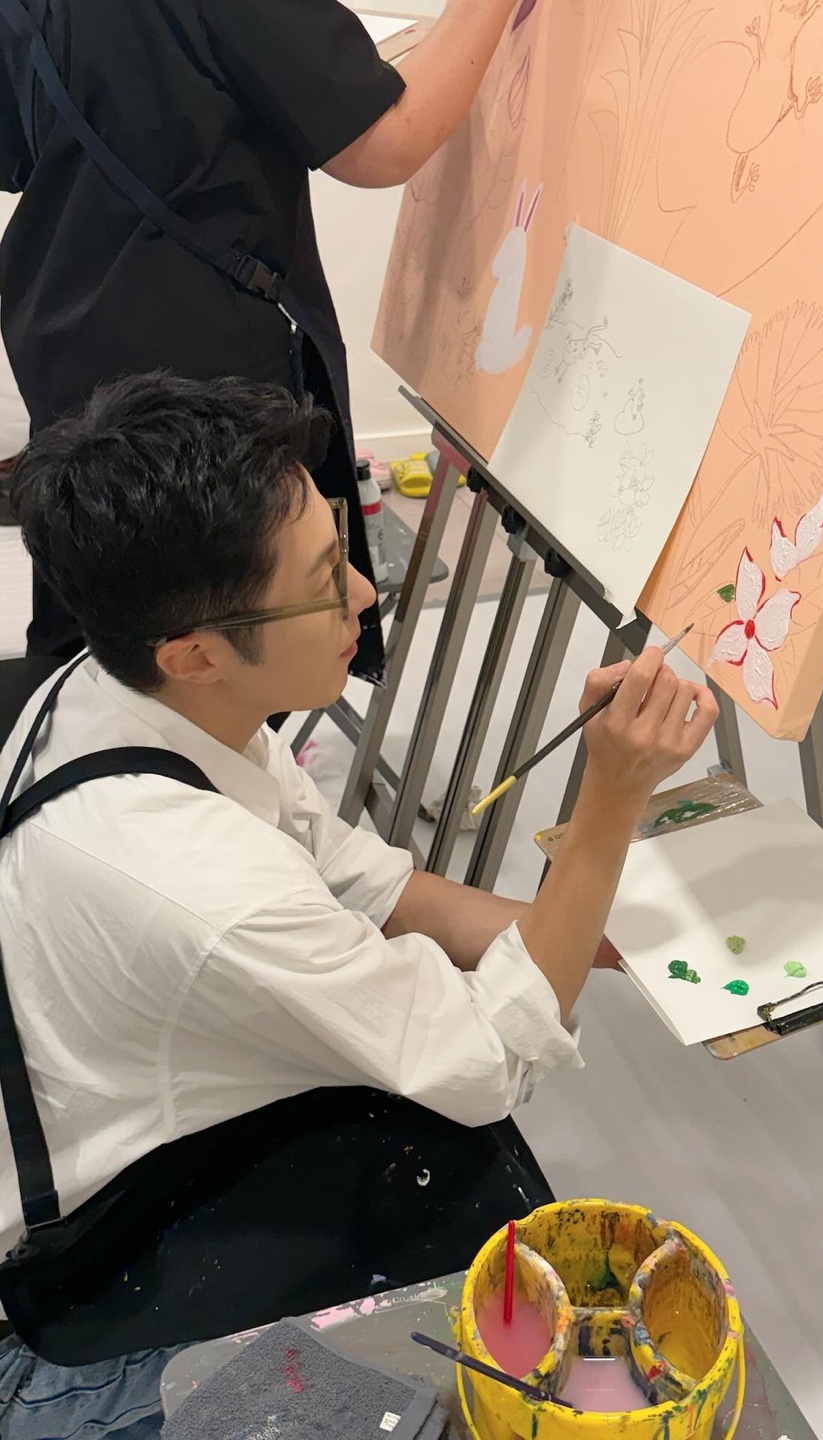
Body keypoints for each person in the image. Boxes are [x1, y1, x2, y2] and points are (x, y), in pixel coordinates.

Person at [0, 374, 719, 1439]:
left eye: (342, 546)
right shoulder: (198, 884)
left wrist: (592, 932)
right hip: (81, 1300)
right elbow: (485, 1060)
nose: (365, 593)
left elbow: (362, 880)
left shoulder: (126, 689)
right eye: (322, 581)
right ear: (194, 652)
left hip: (134, 1137)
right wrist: (609, 802)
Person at [0, 0, 522, 683]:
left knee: (103, 618)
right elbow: (390, 139)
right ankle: (197, 752)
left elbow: (19, 152)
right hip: (193, 360)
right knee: (215, 636)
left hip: (69, 324)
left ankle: (85, 746)